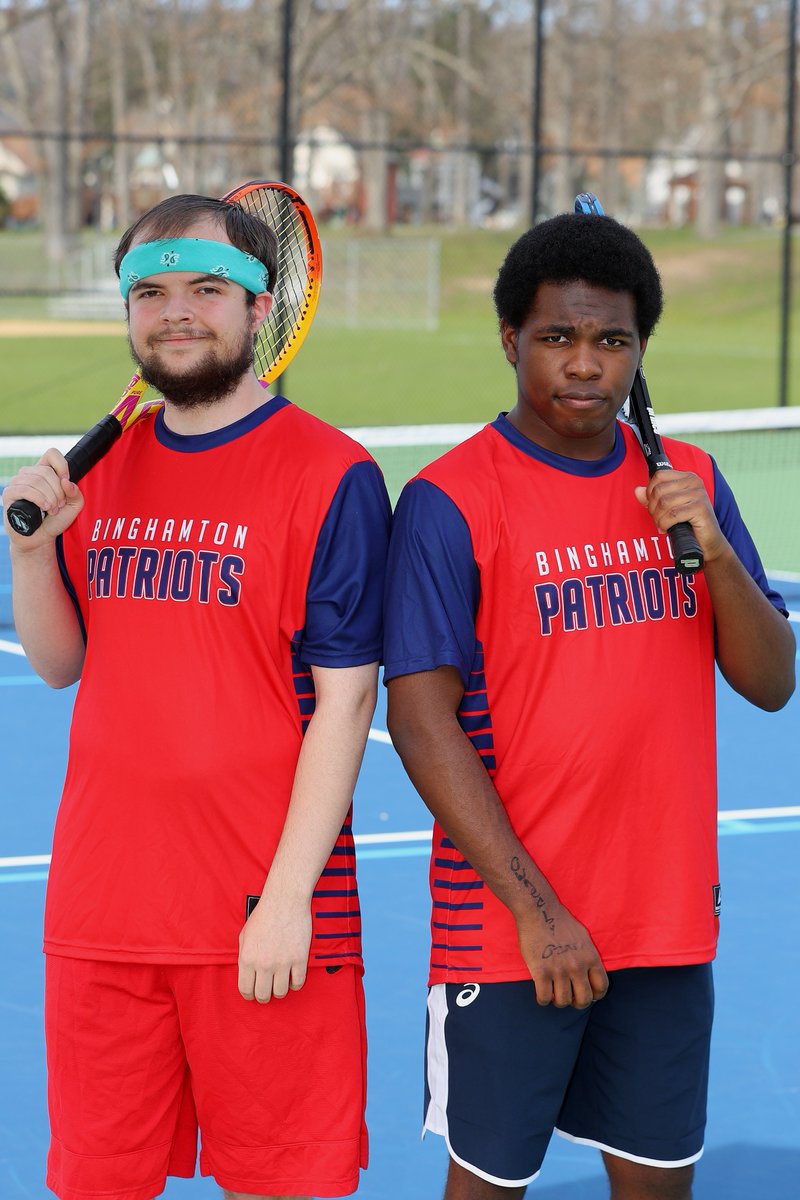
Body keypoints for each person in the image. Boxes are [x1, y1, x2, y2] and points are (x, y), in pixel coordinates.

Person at [382, 211, 795, 1200]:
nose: (582, 365)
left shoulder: (684, 481)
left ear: (637, 351)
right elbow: (418, 719)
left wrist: (717, 553)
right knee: (488, 1183)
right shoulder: (449, 501)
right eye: (556, 338)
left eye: (609, 341)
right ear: (509, 341)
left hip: (662, 918)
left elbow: (770, 681)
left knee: (655, 1181)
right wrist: (537, 911)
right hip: (511, 929)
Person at [2, 193, 391, 1200]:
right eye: (151, 292)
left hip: (258, 917)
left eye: (205, 289)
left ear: (260, 310)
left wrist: (287, 902)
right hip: (101, 912)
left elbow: (345, 704)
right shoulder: (105, 470)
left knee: (278, 1184)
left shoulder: (332, 476)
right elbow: (60, 664)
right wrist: (33, 555)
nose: (175, 312)